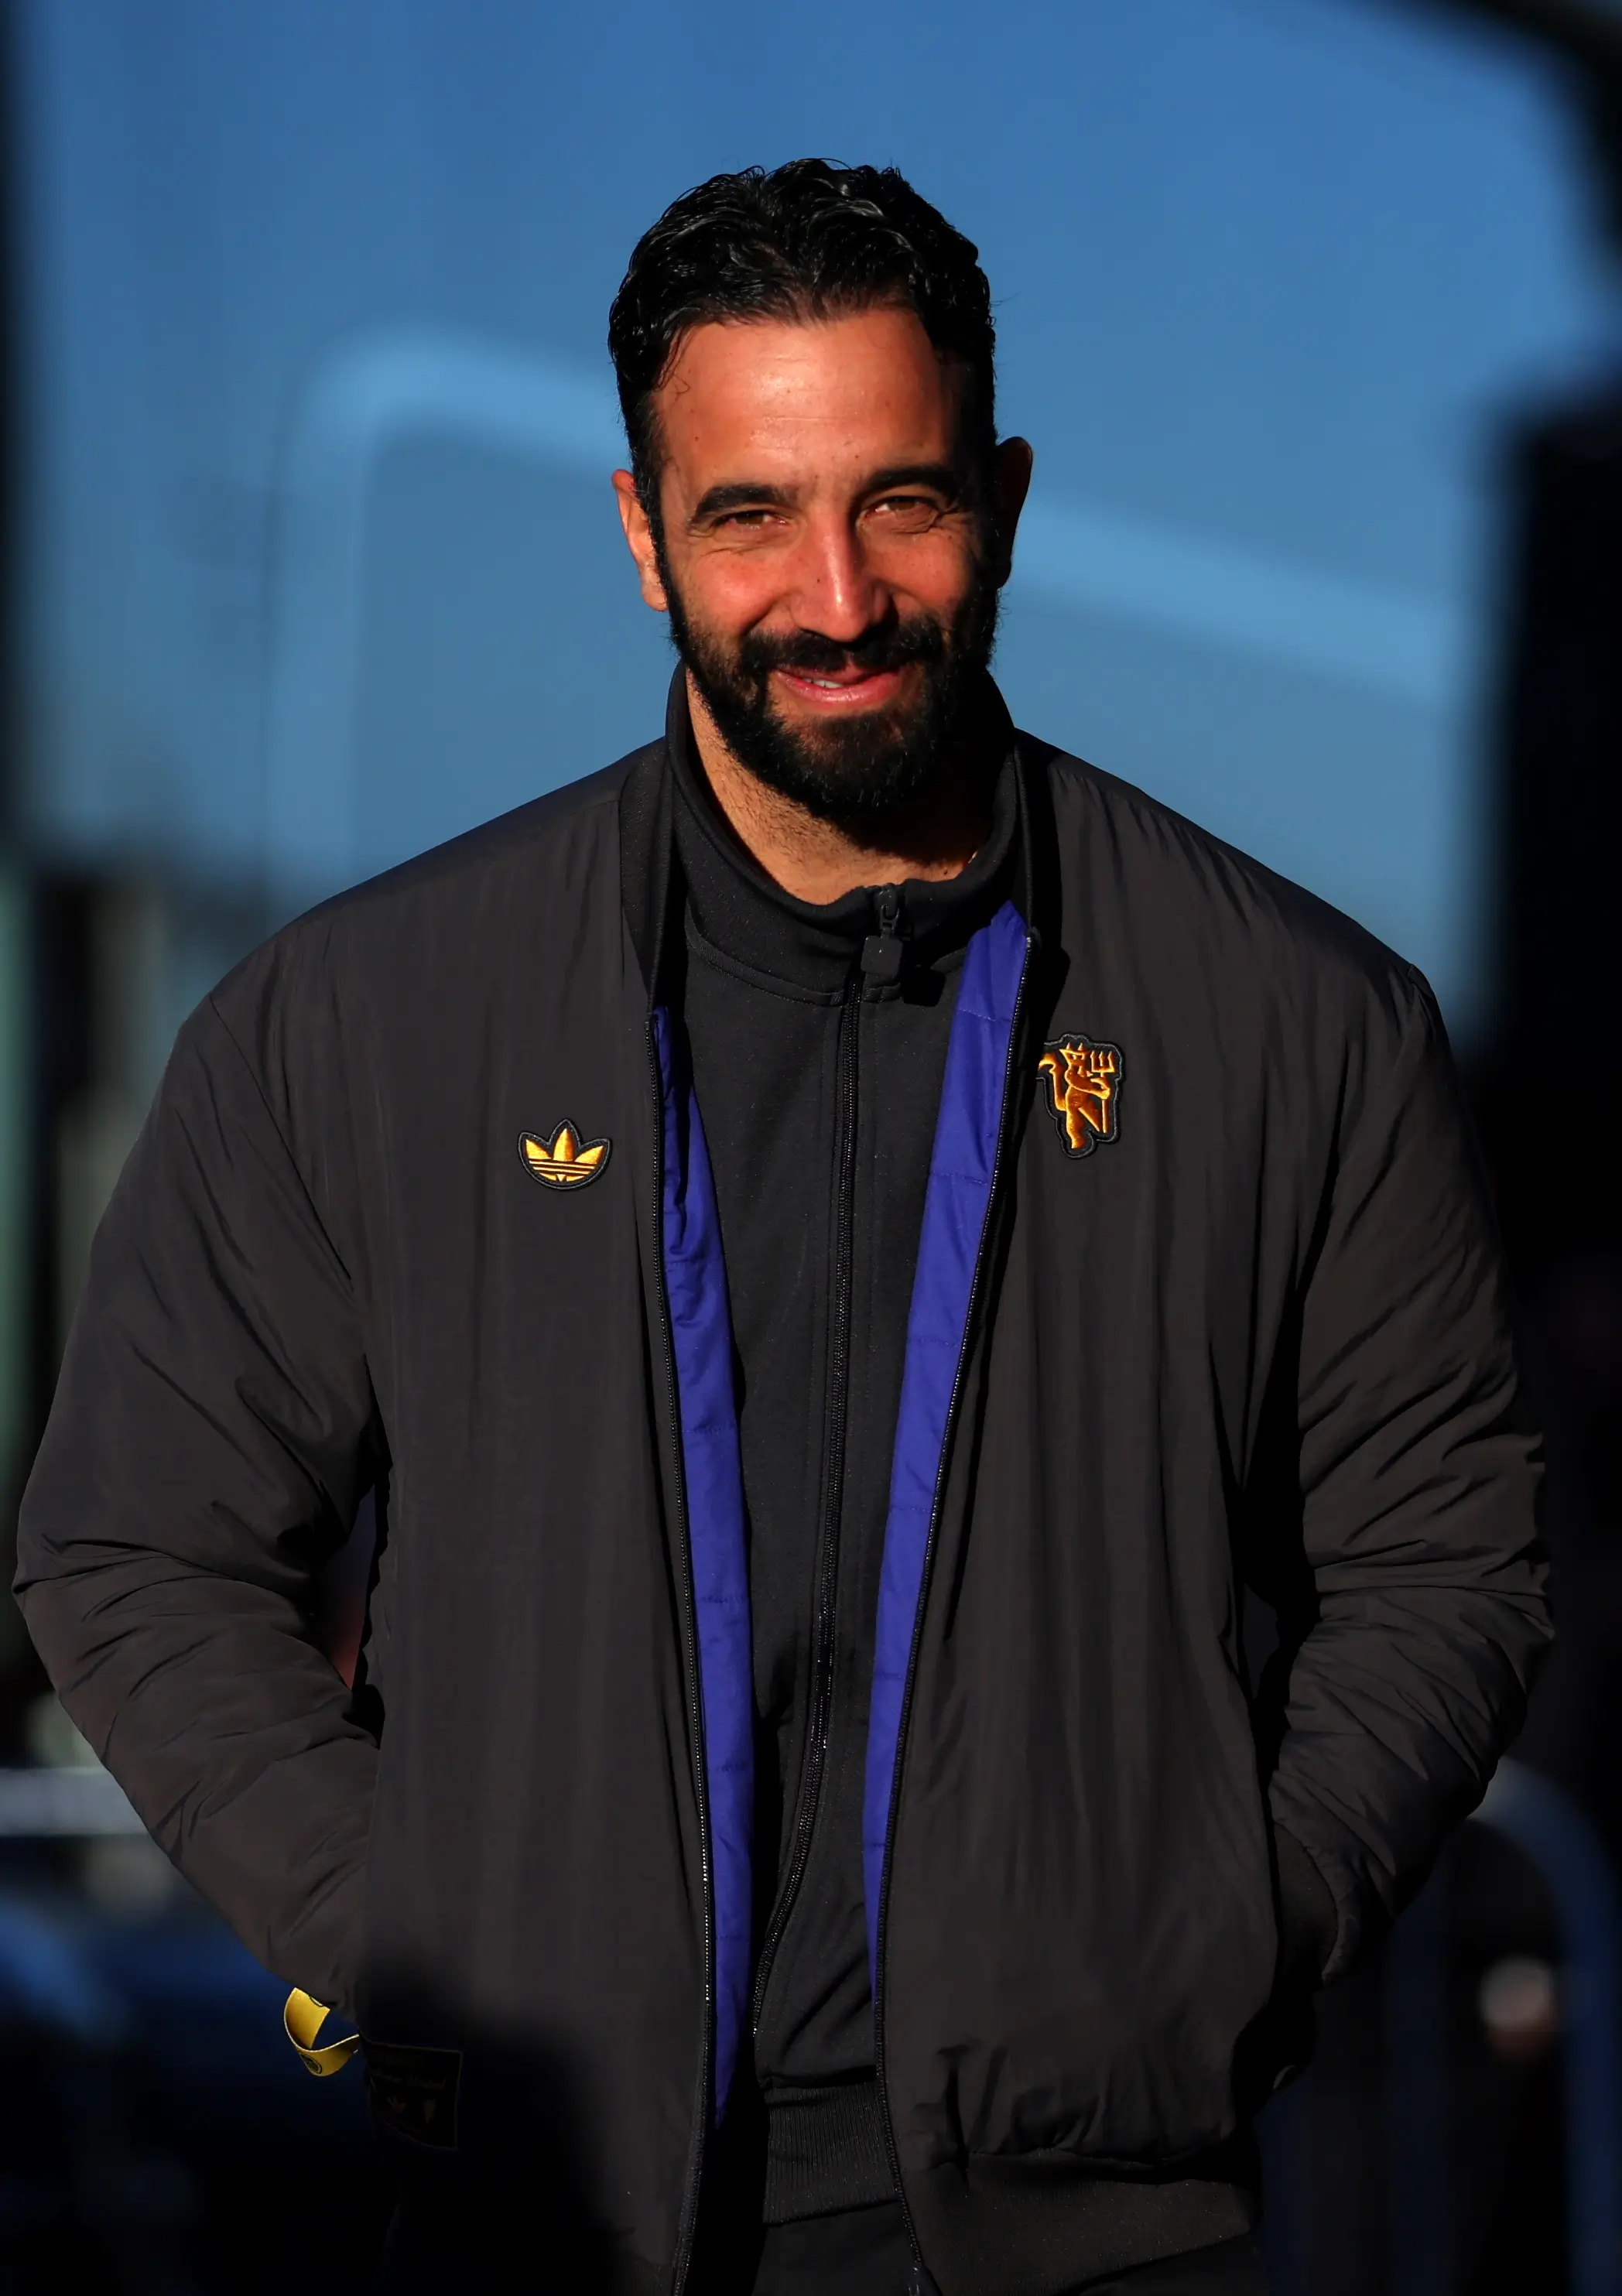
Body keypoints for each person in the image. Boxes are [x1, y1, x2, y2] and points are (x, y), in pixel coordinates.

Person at [14, 159, 1548, 2296]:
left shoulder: (1299, 1023)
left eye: (898, 501)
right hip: (542, 2224)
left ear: (1003, 498)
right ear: (644, 536)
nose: (834, 597)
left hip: (1100, 2229)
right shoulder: (365, 1022)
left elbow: (1450, 1567)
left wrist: (1225, 1937)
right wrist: (416, 1937)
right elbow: (133, 1548)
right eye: (749, 515)